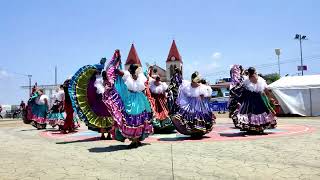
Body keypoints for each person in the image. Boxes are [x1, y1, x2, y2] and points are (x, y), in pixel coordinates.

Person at [103, 50, 153, 148]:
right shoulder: (134, 76)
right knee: (136, 120)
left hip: (136, 100)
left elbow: (115, 71)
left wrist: (116, 61)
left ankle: (135, 140)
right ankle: (136, 140)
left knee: (135, 120)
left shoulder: (135, 76)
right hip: (136, 100)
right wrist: (117, 60)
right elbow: (115, 70)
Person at [68, 58, 113, 139]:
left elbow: (93, 91)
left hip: (100, 103)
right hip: (106, 103)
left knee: (103, 119)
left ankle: (103, 135)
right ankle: (108, 134)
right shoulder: (105, 82)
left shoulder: (96, 81)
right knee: (108, 118)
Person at [172, 71, 216, 137]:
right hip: (190, 105)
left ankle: (198, 132)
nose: (195, 83)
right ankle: (194, 132)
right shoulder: (187, 86)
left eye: (196, 81)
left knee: (198, 118)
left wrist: (203, 99)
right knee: (190, 118)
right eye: (194, 81)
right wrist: (178, 74)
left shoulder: (203, 87)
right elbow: (182, 90)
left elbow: (207, 97)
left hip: (200, 106)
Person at [235, 67, 277, 134]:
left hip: (250, 99)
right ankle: (258, 128)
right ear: (255, 71)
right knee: (259, 113)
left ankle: (253, 128)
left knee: (251, 113)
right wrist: (270, 98)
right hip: (258, 99)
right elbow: (266, 90)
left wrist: (240, 101)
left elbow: (242, 91)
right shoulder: (260, 79)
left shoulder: (246, 80)